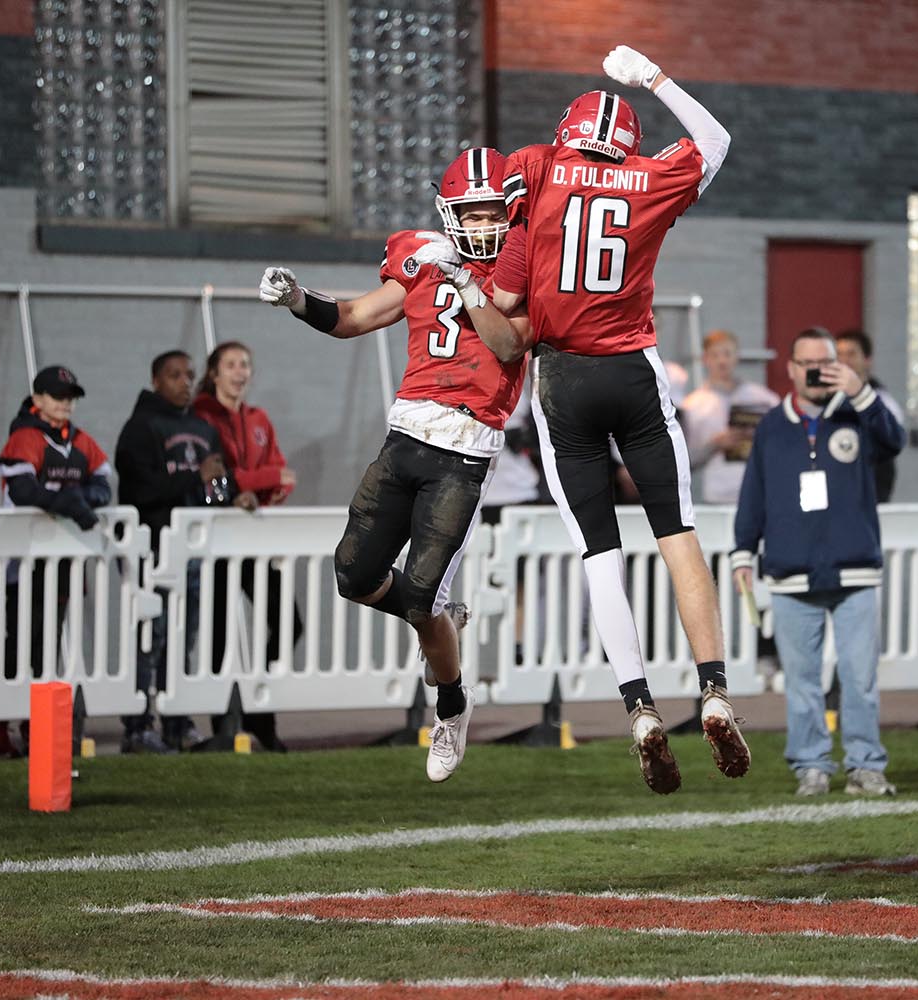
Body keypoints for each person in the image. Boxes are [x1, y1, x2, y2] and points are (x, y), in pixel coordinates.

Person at [483, 45, 746, 794]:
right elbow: (718, 141)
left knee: (600, 553)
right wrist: (655, 77)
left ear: (568, 134)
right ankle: (715, 689)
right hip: (633, 369)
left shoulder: (535, 166)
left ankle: (638, 708)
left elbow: (504, 302)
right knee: (677, 531)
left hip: (562, 378)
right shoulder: (648, 177)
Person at [258, 146, 532, 783]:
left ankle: (452, 704)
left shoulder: (528, 271)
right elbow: (353, 317)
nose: (485, 227)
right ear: (449, 211)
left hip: (464, 454)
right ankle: (437, 613)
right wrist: (300, 298)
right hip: (404, 437)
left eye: (495, 214)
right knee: (352, 576)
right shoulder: (418, 255)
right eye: (473, 213)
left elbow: (507, 342)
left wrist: (466, 285)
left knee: (420, 601)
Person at [731, 327, 905, 797]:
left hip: (855, 569)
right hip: (790, 571)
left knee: (859, 677)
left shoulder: (858, 415)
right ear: (789, 369)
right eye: (806, 362)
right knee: (802, 682)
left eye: (824, 362)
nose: (814, 371)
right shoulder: (770, 425)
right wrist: (743, 551)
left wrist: (861, 393)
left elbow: (895, 442)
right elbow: (754, 496)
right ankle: (812, 766)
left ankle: (866, 766)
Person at [0, 364, 112, 759]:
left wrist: (81, 500)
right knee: (19, 646)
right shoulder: (25, 436)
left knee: (46, 648)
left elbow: (103, 482)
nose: (65, 404)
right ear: (37, 400)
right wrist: (69, 501)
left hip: (62, 565)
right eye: (57, 397)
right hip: (25, 564)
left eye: (70, 398)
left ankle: (36, 727)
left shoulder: (79, 440)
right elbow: (22, 490)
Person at [115, 350, 249, 754]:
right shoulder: (141, 427)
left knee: (183, 638)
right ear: (156, 380)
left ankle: (178, 720)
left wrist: (229, 498)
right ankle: (138, 725)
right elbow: (140, 491)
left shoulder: (201, 429)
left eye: (189, 375)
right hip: (152, 550)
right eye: (174, 375)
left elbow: (212, 488)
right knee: (150, 639)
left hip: (191, 554)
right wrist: (195, 475)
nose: (184, 382)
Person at [192, 340, 302, 752]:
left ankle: (259, 710)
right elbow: (222, 479)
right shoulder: (202, 416)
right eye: (232, 365)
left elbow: (281, 480)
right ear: (215, 373)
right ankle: (225, 725)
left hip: (255, 537)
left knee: (288, 623)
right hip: (218, 541)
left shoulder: (258, 418)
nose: (240, 372)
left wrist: (262, 484)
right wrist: (263, 479)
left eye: (245, 365)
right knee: (221, 634)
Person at [681, 329, 780, 504]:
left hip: (758, 492)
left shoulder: (765, 399)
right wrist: (715, 444)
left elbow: (781, 445)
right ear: (705, 359)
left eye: (727, 354)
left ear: (737, 356)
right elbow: (682, 460)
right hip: (711, 496)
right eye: (715, 355)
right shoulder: (692, 405)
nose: (722, 361)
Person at [836, 329, 903, 503]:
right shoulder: (825, 399)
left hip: (871, 493)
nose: (844, 360)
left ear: (867, 360)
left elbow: (894, 439)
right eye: (839, 354)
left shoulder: (882, 401)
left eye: (851, 354)